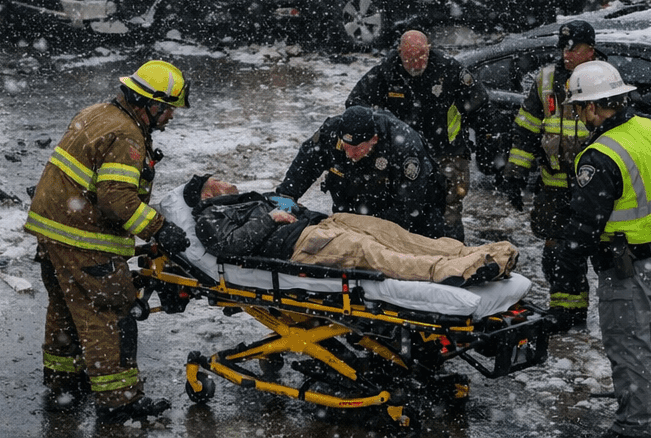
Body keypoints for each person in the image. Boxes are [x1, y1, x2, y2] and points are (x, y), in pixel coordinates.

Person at [23, 60, 193, 424]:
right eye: (168, 111)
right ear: (151, 104)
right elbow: (117, 199)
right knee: (112, 311)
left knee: (67, 307)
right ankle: (119, 400)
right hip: (82, 237)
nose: (171, 119)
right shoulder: (127, 135)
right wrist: (159, 229)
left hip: (53, 232)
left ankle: (64, 383)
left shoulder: (98, 113)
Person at [549, 61, 651, 438]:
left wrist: (566, 271)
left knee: (630, 349)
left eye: (578, 108)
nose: (578, 116)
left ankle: (634, 428)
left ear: (593, 107)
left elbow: (584, 226)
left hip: (628, 268)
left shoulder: (600, 156)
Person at [182, 175, 518, 285]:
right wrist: (269, 219)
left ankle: (479, 254)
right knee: (368, 251)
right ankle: (455, 271)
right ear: (206, 193)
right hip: (300, 244)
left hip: (321, 223)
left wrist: (288, 208)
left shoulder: (251, 200)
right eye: (218, 180)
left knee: (393, 233)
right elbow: (229, 246)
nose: (227, 181)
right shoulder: (209, 218)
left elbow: (290, 208)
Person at [500, 19, 603, 314]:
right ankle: (563, 311)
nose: (566, 54)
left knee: (591, 253)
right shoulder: (546, 80)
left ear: (591, 51)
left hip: (593, 187)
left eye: (573, 49)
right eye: (563, 48)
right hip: (553, 184)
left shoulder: (606, 80)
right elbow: (526, 130)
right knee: (555, 254)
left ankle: (591, 312)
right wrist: (515, 175)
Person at [346, 29, 486, 240]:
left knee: (448, 214)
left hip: (447, 152)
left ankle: (453, 257)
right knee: (408, 209)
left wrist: (488, 142)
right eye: (409, 58)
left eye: (421, 56)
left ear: (429, 50)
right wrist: (381, 130)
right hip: (404, 153)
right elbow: (355, 103)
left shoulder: (448, 69)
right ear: (399, 52)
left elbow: (480, 105)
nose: (416, 63)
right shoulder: (387, 71)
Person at [274, 105, 446, 237]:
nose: (349, 155)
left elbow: (410, 205)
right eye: (345, 147)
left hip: (412, 220)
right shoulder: (331, 133)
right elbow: (304, 167)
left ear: (374, 140)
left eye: (357, 149)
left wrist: (367, 228)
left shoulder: (404, 146)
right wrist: (285, 199)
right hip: (353, 212)